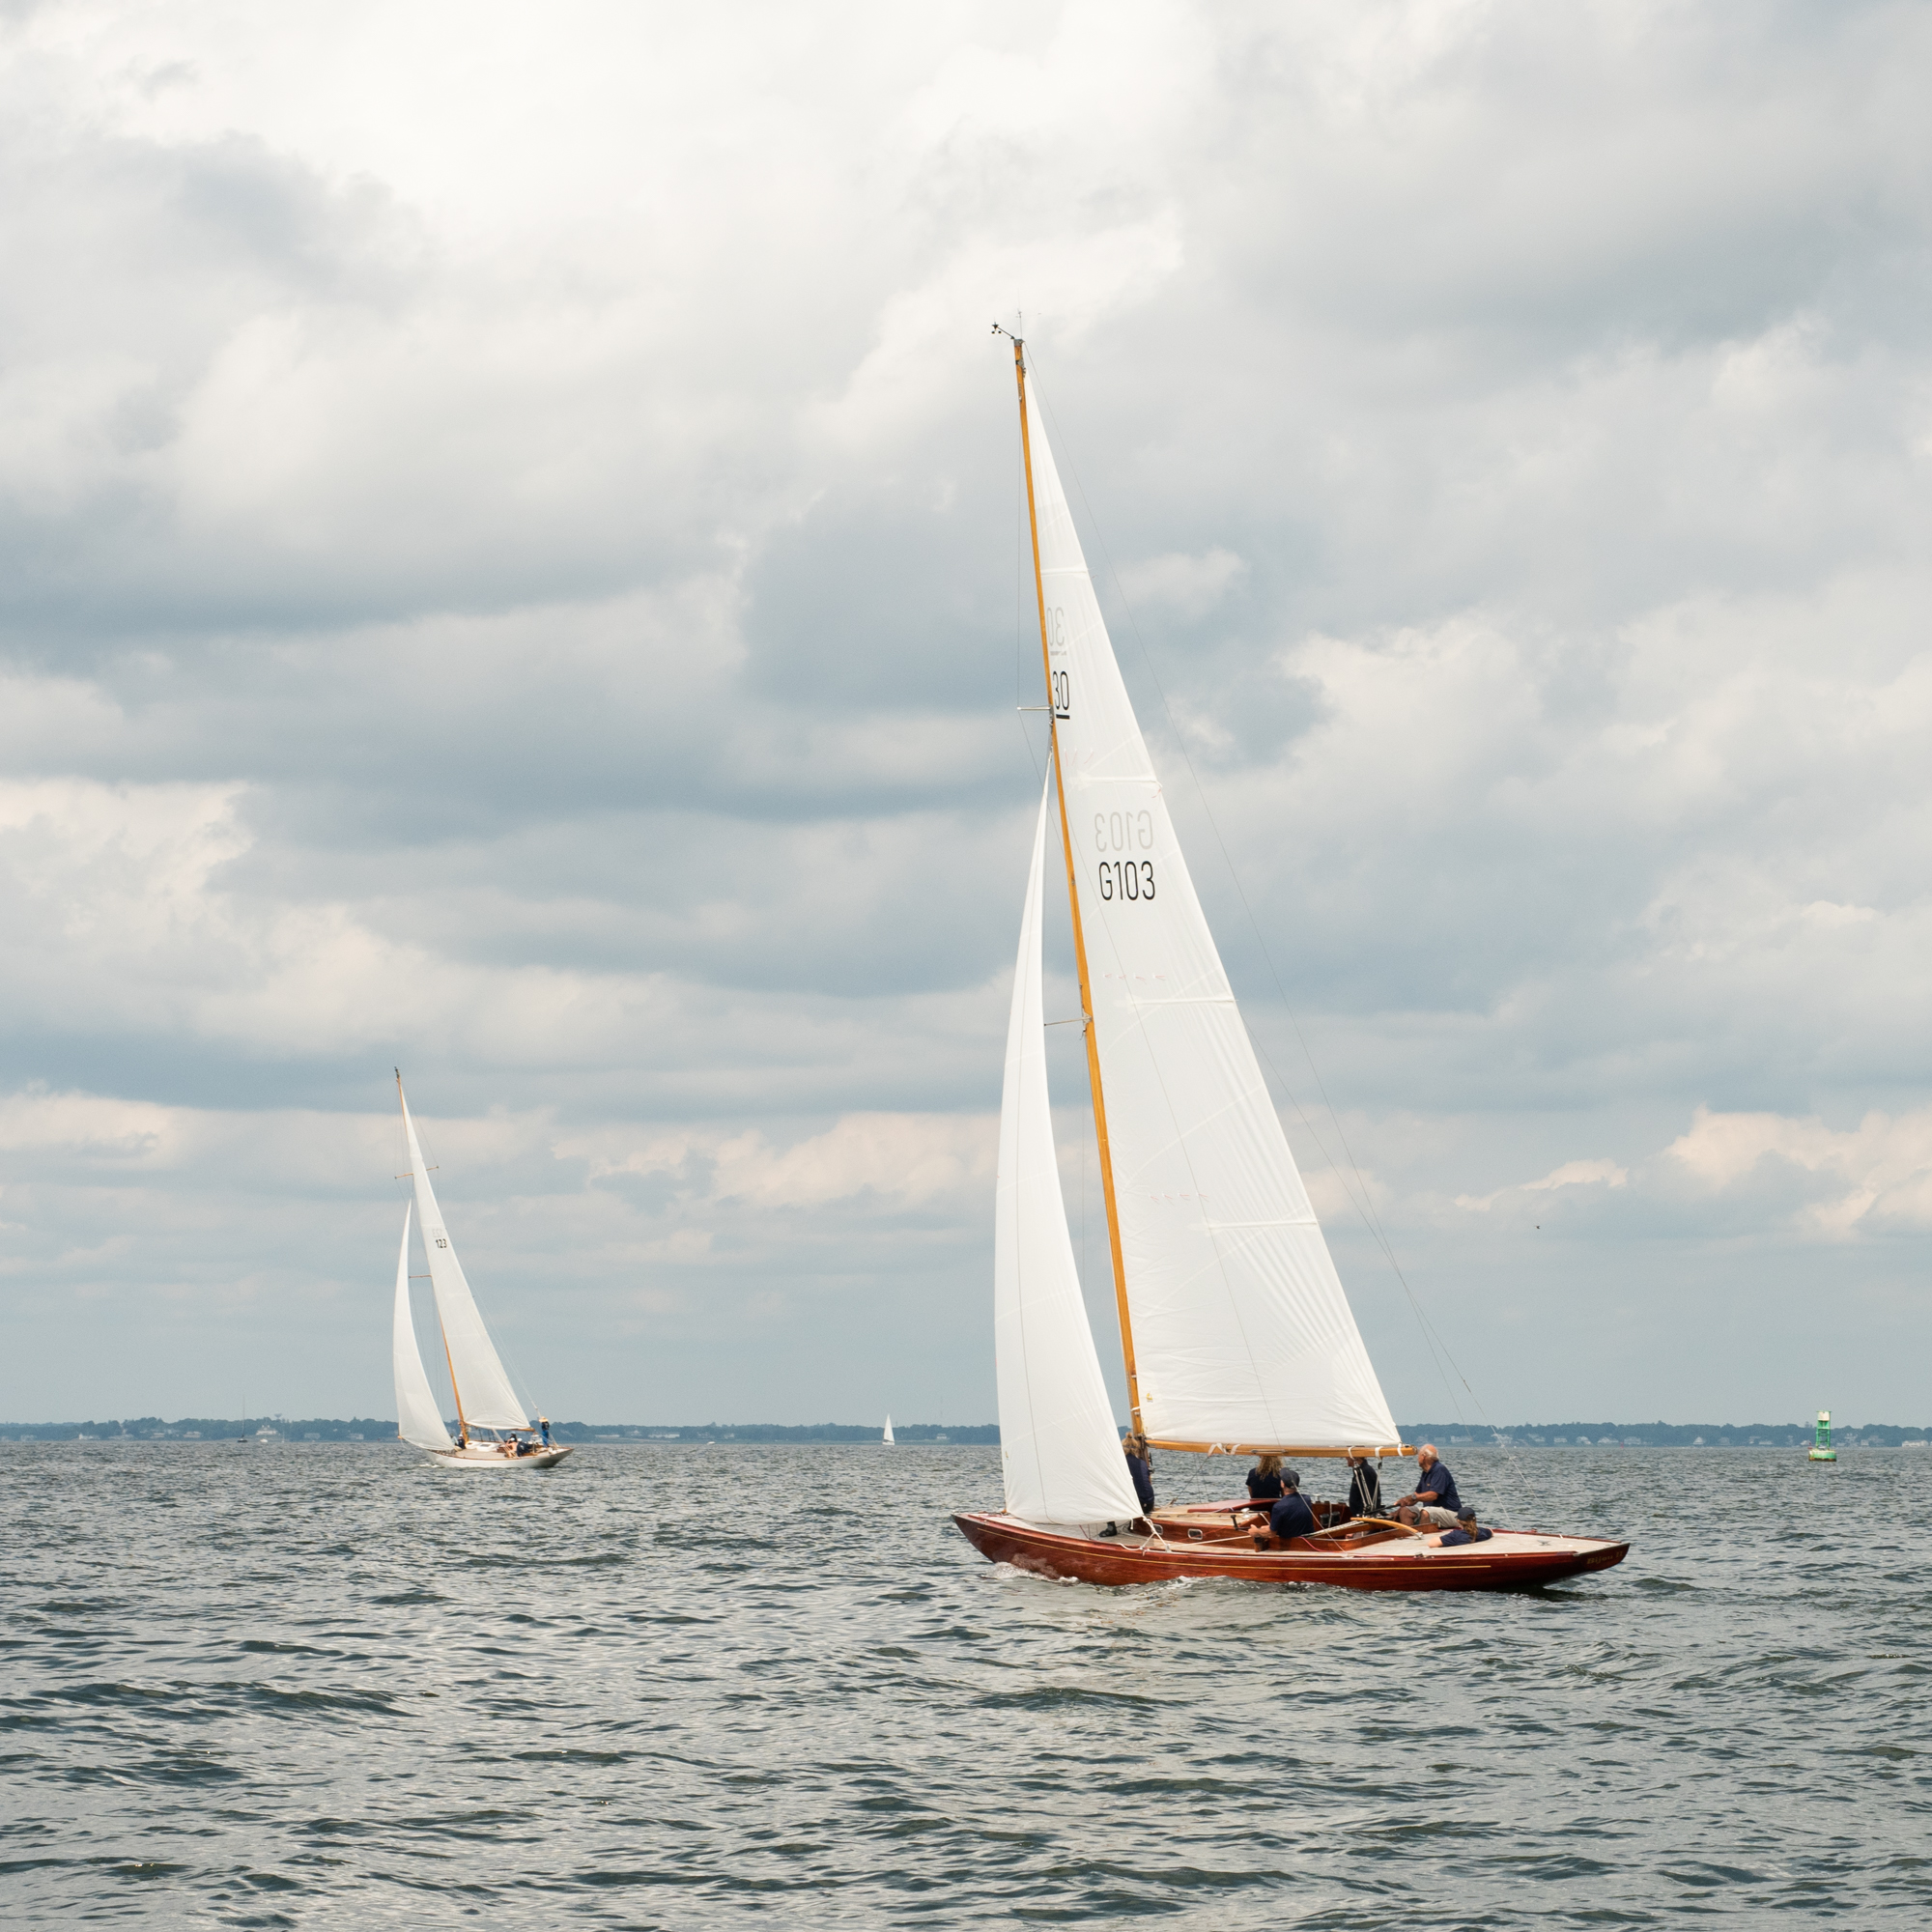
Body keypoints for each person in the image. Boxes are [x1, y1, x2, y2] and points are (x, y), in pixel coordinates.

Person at [1394, 1444, 1461, 1527]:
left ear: (1423, 1456)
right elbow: (1417, 1496)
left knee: (1426, 1513)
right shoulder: (1425, 1473)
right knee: (1405, 1511)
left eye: (1418, 1455)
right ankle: (1409, 1537)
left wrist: (1412, 1497)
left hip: (1451, 1513)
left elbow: (1433, 1495)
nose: (1417, 1458)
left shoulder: (1439, 1470)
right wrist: (1403, 1503)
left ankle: (1423, 1539)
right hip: (1433, 1511)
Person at [1260, 1467, 1318, 1545]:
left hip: (1290, 1544)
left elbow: (1272, 1533)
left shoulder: (1279, 1507)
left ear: (1282, 1484)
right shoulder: (1307, 1499)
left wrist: (1256, 1532)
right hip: (1309, 1540)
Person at [1122, 1433, 1155, 1516]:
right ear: (1136, 1449)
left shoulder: (1122, 1463)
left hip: (1138, 1502)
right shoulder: (1142, 1463)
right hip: (1150, 1500)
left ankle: (1111, 1527)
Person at [1344, 1454, 1381, 1520]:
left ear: (1354, 1458)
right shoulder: (1360, 1471)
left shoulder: (1364, 1472)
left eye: (1347, 1455)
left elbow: (1369, 1498)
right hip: (1358, 1515)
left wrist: (1361, 1515)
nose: (1345, 1457)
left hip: (1362, 1516)